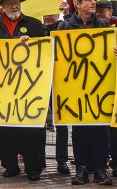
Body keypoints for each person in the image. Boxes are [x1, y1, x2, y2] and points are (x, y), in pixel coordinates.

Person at [0, 0, 46, 181]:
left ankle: (33, 167)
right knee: (4, 128)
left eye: (17, 2)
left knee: (31, 128)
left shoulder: (35, 25)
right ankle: (9, 165)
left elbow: (44, 50)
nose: (14, 6)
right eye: (10, 3)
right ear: (2, 6)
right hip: (2, 85)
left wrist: (31, 44)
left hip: (28, 86)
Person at [57, 0, 112, 186]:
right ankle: (81, 168)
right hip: (75, 86)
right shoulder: (65, 26)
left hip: (98, 86)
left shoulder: (104, 24)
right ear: (77, 4)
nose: (93, 2)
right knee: (79, 129)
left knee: (100, 128)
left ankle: (100, 168)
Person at [41, 12, 70, 175]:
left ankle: (62, 160)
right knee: (38, 122)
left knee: (61, 123)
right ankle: (40, 157)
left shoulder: (63, 26)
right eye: (44, 14)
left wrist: (66, 12)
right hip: (41, 80)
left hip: (59, 81)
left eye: (50, 12)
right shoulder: (38, 29)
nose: (46, 16)